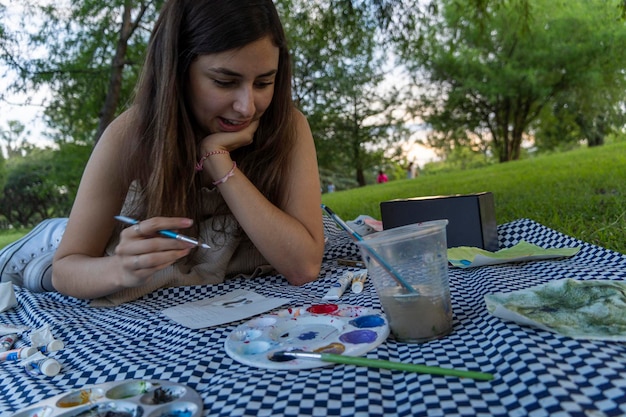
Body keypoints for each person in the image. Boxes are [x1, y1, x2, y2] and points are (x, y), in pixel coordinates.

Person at [0, 0, 325, 305]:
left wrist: (218, 161)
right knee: (33, 272)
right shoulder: (128, 135)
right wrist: (120, 269)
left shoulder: (287, 126)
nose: (246, 107)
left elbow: (303, 266)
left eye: (263, 83)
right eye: (225, 82)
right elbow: (66, 270)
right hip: (50, 250)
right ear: (178, 71)